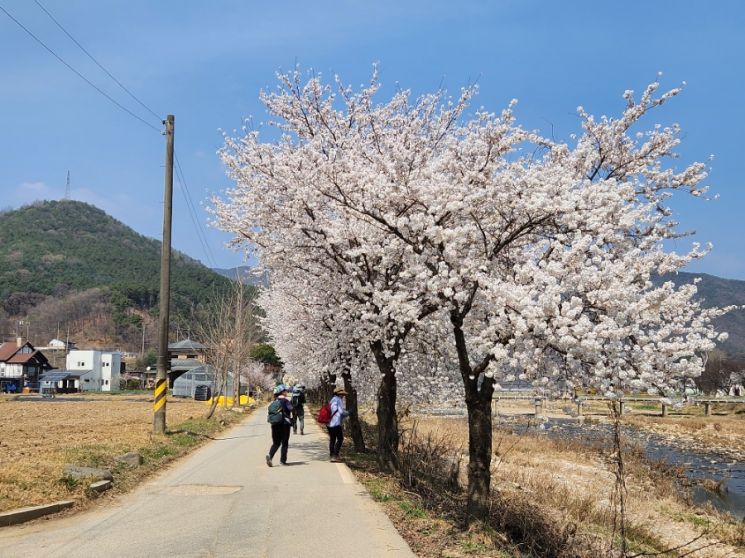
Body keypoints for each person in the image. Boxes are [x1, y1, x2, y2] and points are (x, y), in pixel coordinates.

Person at [266, 384, 293, 467]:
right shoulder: (286, 401)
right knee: (284, 443)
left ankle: (270, 455)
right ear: (282, 392)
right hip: (284, 424)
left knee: (276, 443)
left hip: (274, 424)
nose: (286, 392)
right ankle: (282, 461)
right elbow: (292, 409)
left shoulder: (274, 401)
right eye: (285, 391)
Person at [327, 386, 349, 462]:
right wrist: (348, 413)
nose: (343, 396)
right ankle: (335, 455)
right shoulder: (338, 400)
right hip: (336, 423)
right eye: (342, 395)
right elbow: (341, 412)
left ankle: (331, 455)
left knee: (332, 439)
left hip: (329, 423)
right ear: (339, 394)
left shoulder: (332, 400)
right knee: (340, 439)